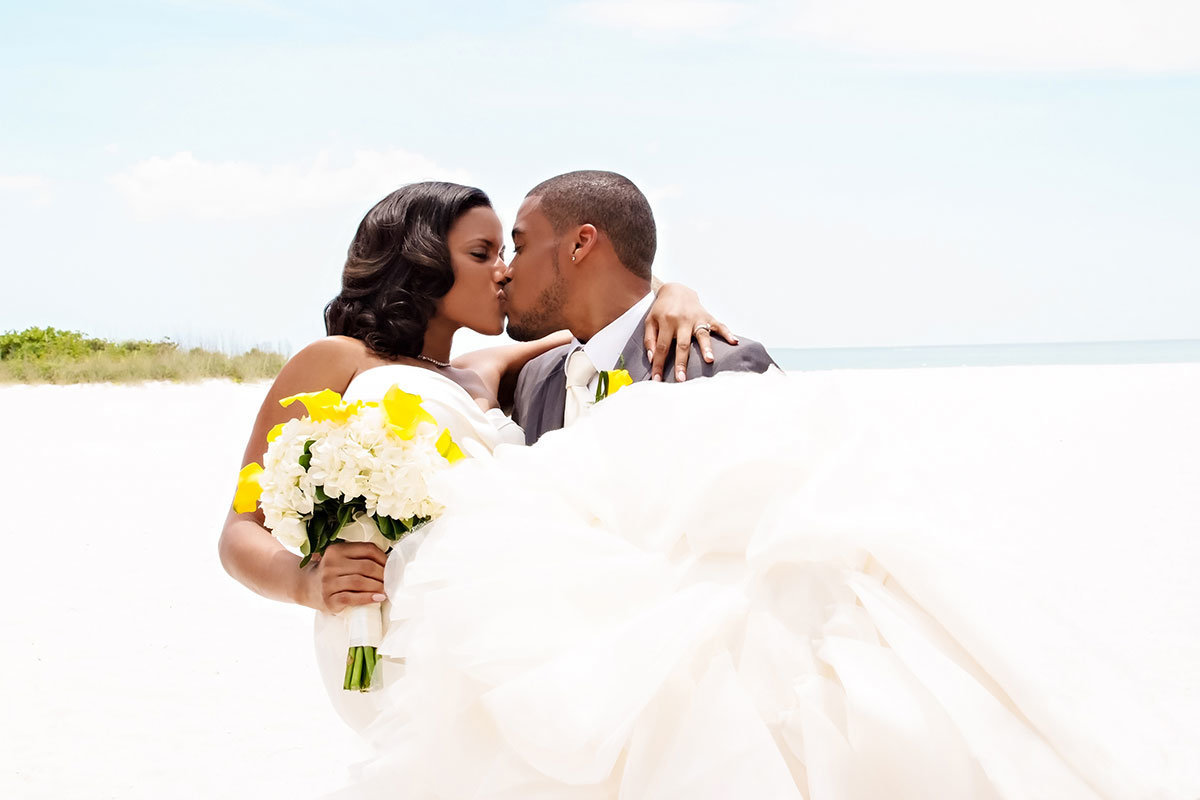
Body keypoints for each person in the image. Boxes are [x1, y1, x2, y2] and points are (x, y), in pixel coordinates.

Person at [218, 180, 733, 727]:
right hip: (380, 635)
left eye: (507, 252)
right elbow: (238, 531)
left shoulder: (484, 373)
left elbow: (610, 309)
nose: (505, 271)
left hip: (492, 649)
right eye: (482, 254)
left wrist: (677, 293)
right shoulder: (334, 361)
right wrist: (305, 581)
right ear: (421, 265)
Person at [502, 170, 777, 444]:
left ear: (580, 243)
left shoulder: (723, 369)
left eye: (519, 247)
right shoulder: (533, 379)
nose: (506, 272)